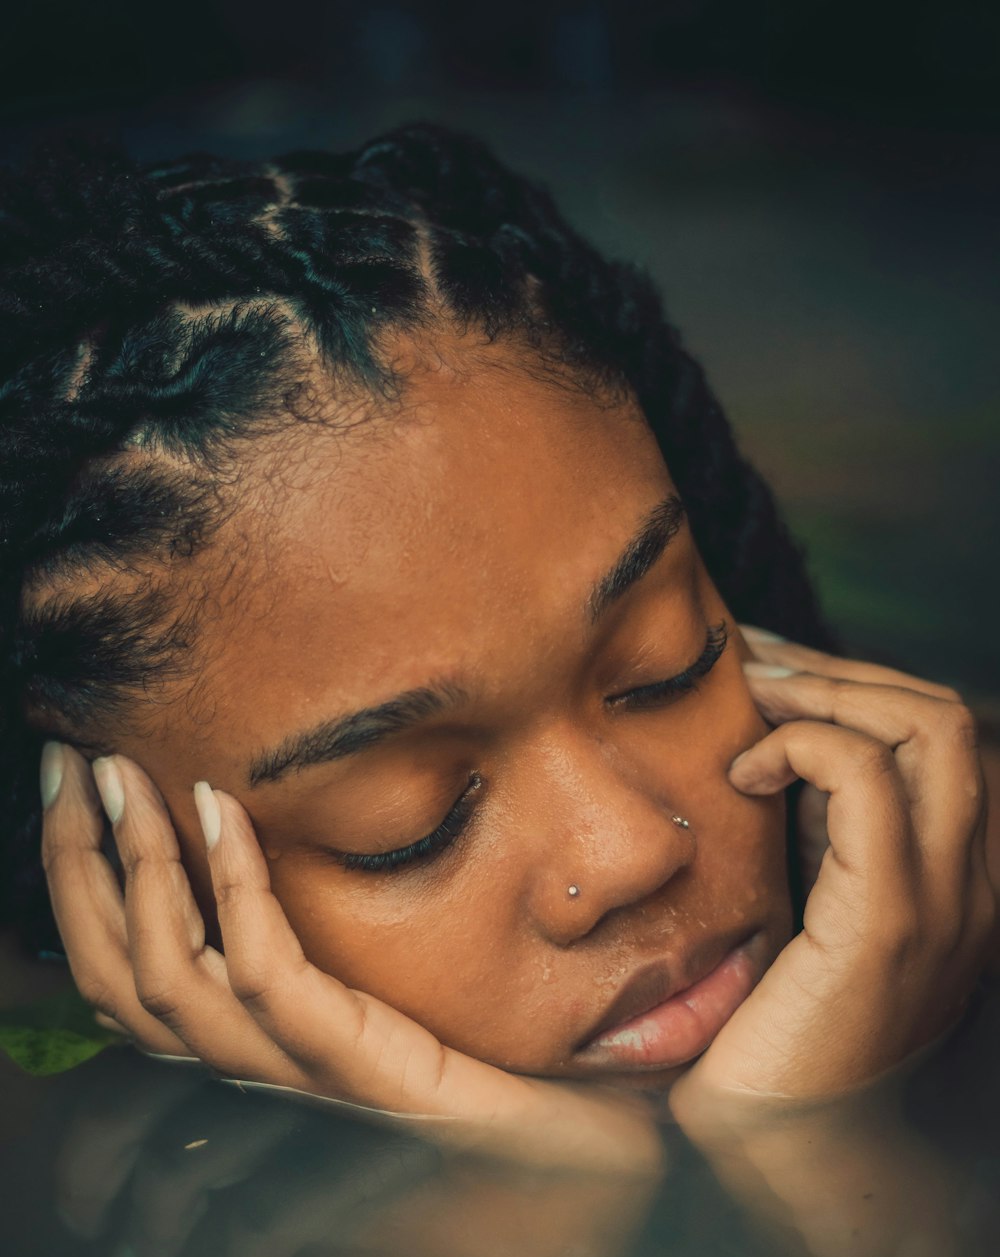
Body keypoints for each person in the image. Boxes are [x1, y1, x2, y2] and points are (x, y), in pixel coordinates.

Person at [1, 122, 997, 1157]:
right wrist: (519, 1223)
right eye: (409, 826)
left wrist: (819, 1143)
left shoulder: (965, 849)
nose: (630, 853)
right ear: (108, 866)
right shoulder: (35, 1166)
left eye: (668, 664)